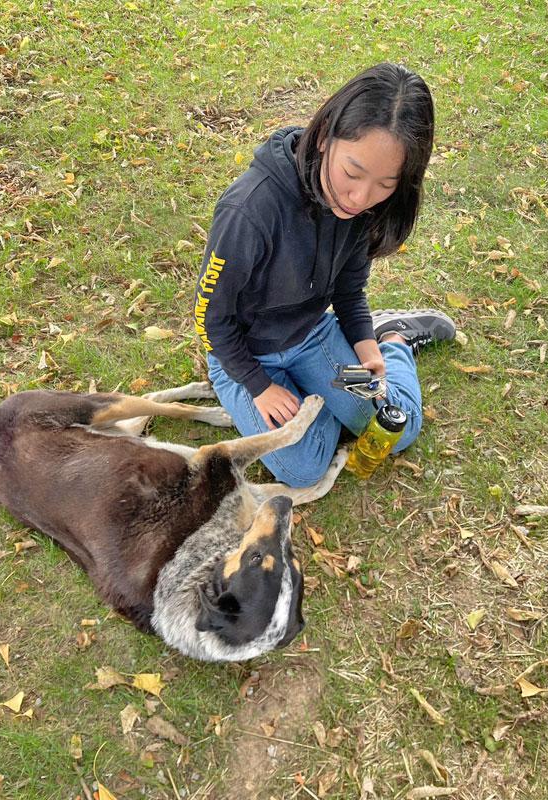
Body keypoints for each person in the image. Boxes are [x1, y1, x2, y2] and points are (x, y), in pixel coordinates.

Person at [194, 62, 455, 488]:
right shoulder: (250, 211)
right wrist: (259, 386)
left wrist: (365, 341)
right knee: (304, 467)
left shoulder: (363, 208)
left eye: (385, 183)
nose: (360, 197)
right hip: (246, 357)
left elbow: (350, 289)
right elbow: (211, 318)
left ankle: (394, 340)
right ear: (323, 135)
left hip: (313, 337)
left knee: (393, 428)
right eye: (352, 173)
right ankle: (307, 386)